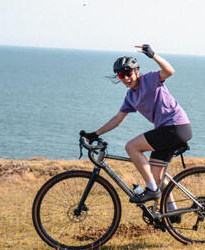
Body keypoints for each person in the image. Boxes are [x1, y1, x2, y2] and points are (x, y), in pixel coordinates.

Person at [82, 43, 192, 207]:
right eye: (121, 75)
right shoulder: (130, 97)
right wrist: (95, 134)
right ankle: (172, 214)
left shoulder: (149, 79)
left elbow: (170, 71)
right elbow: (118, 119)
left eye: (128, 73)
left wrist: (153, 55)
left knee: (132, 147)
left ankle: (151, 191)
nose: (126, 78)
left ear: (136, 72)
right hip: (167, 131)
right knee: (155, 176)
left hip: (176, 127)